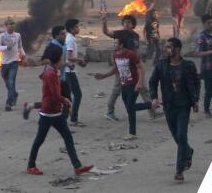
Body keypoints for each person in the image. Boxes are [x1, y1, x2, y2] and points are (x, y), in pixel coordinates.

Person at [26, 45, 93, 176]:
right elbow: (55, 94)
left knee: (67, 138)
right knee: (40, 140)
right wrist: (65, 100)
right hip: (48, 112)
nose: (63, 62)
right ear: (58, 60)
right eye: (62, 60)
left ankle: (77, 166)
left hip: (55, 112)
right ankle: (31, 165)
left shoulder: (52, 71)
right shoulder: (51, 74)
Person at [149, 38, 200, 182]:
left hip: (184, 106)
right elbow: (152, 82)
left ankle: (179, 170)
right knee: (177, 137)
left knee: (181, 135)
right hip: (169, 106)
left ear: (177, 49)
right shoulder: (161, 65)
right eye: (165, 47)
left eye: (169, 47)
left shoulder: (188, 66)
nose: (166, 49)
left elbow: (196, 82)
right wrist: (154, 98)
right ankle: (188, 151)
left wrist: (195, 100)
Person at [94, 32, 150, 140]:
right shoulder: (115, 55)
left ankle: (132, 133)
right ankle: (151, 104)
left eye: (116, 43)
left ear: (122, 45)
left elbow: (141, 68)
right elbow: (116, 69)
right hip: (124, 84)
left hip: (133, 84)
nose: (114, 45)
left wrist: (140, 82)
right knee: (130, 108)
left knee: (130, 107)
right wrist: (103, 76)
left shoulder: (131, 54)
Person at [102, 14, 153, 121]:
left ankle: (153, 112)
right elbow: (106, 32)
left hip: (133, 63)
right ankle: (109, 112)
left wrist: (139, 60)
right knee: (118, 88)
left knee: (143, 87)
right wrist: (104, 23)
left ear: (133, 25)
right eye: (125, 22)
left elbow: (135, 49)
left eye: (129, 22)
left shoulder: (135, 36)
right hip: (122, 63)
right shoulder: (119, 33)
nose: (126, 24)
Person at [0, 17, 26, 111]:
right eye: (9, 24)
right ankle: (14, 94)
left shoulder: (18, 35)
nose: (11, 26)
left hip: (14, 62)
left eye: (13, 24)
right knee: (8, 83)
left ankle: (8, 103)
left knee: (11, 82)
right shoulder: (1, 36)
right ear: (6, 26)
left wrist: (23, 55)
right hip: (4, 63)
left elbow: (20, 47)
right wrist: (6, 47)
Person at [64, 19, 86, 126]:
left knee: (67, 95)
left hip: (69, 70)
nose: (78, 29)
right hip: (69, 71)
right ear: (71, 29)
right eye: (77, 27)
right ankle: (73, 119)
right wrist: (80, 60)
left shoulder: (71, 38)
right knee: (77, 95)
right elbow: (69, 57)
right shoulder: (70, 40)